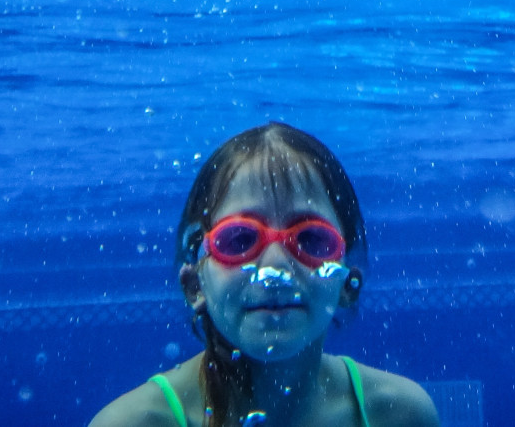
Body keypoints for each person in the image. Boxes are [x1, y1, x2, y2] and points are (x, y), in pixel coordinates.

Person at [89, 123, 437, 427]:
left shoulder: (397, 414)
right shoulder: (135, 423)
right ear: (195, 284)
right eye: (239, 240)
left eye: (311, 239)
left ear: (348, 281)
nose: (275, 269)